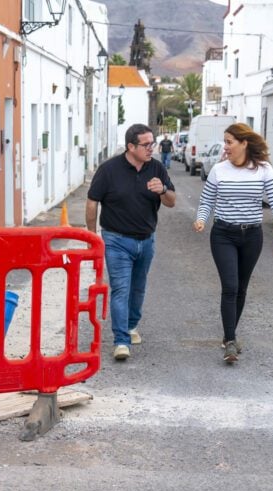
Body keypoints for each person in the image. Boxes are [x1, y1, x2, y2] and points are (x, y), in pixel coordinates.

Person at [192, 123, 273, 364]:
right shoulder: (219, 170)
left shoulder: (263, 169)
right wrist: (201, 219)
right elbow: (207, 200)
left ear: (244, 143)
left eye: (229, 142)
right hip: (223, 234)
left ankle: (229, 334)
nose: (225, 147)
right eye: (225, 142)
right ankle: (230, 341)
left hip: (252, 236)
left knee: (241, 287)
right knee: (230, 286)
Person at [86, 123, 176, 361]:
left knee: (138, 287)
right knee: (120, 289)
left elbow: (171, 201)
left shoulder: (156, 168)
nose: (151, 148)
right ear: (131, 147)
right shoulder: (109, 170)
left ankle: (131, 325)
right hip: (116, 240)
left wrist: (163, 189)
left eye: (152, 143)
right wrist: (92, 236)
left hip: (146, 240)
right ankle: (120, 340)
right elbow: (92, 201)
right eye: (146, 145)